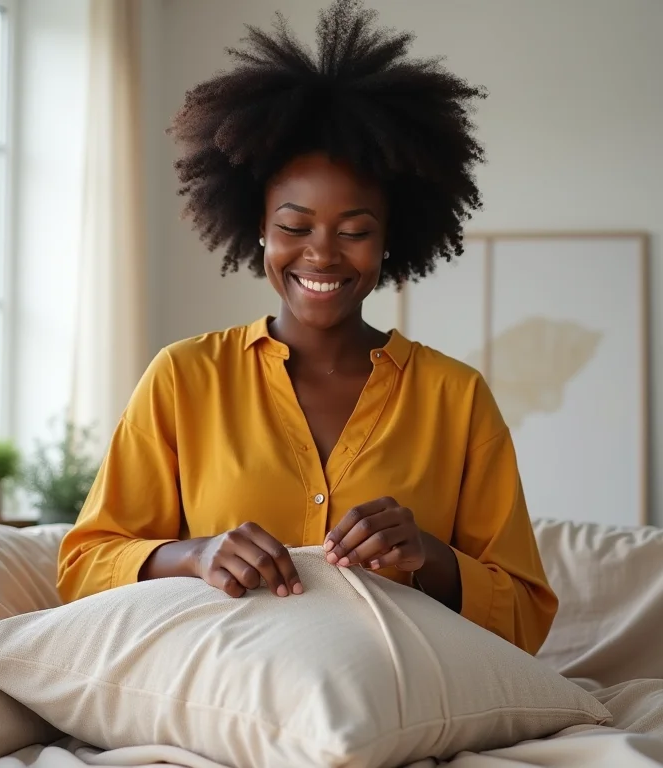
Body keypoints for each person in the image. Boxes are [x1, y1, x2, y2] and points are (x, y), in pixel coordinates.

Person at [57, 0, 558, 654]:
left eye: (355, 232)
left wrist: (429, 557)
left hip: (397, 696)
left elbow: (526, 617)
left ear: (389, 241)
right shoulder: (184, 377)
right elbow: (84, 568)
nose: (321, 254)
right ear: (258, 229)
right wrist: (194, 555)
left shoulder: (455, 398)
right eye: (294, 228)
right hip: (222, 688)